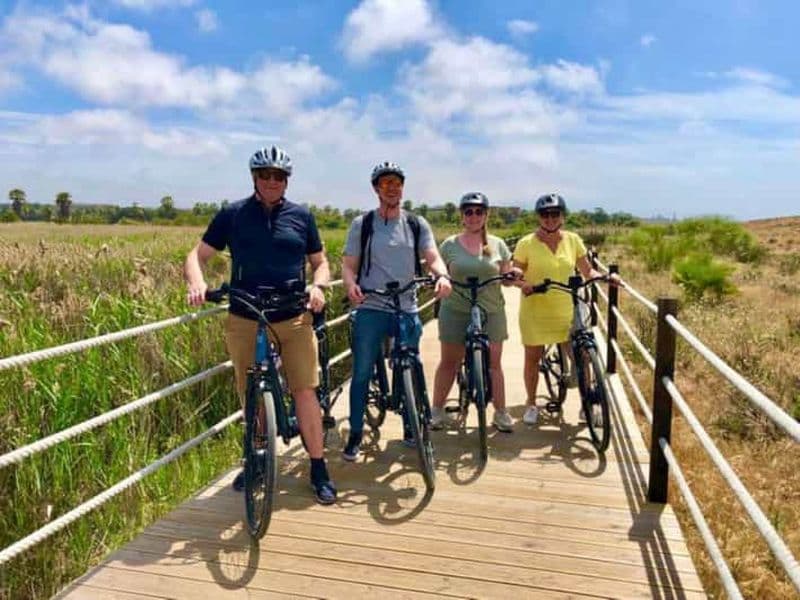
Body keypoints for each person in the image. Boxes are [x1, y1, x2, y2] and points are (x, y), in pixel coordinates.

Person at [184, 145, 337, 505]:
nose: (272, 181)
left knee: (305, 391)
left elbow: (320, 261)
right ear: (254, 177)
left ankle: (318, 467)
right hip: (245, 315)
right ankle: (255, 460)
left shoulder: (302, 216)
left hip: (293, 315)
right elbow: (197, 255)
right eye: (265, 175)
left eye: (279, 176)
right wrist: (196, 282)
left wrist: (318, 286)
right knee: (251, 392)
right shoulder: (233, 214)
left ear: (287, 181)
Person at [340, 161, 452, 461]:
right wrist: (351, 285)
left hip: (406, 305)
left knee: (410, 365)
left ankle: (410, 424)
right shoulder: (361, 224)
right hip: (372, 306)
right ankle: (354, 432)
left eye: (397, 182)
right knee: (362, 372)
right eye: (386, 183)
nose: (392, 187)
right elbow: (349, 266)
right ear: (376, 189)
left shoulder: (416, 223)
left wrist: (441, 275)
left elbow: (432, 257)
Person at [513, 193, 619, 425]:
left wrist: (604, 277)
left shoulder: (572, 240)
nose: (550, 219)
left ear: (563, 216)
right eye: (545, 214)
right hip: (536, 308)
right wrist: (523, 283)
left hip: (567, 307)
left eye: (555, 214)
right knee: (533, 357)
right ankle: (531, 403)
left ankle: (587, 405)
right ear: (538, 217)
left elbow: (587, 270)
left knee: (582, 355)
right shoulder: (526, 243)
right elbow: (515, 272)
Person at [431, 192, 518, 433]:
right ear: (462, 216)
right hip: (456, 308)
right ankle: (436, 410)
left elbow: (508, 278)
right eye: (468, 211)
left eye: (479, 211)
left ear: (486, 215)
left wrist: (513, 275)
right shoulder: (449, 245)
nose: (474, 216)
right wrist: (437, 279)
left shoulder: (498, 244)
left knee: (494, 365)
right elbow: (437, 271)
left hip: (491, 309)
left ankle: (501, 413)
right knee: (449, 362)